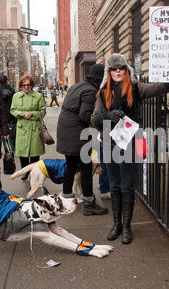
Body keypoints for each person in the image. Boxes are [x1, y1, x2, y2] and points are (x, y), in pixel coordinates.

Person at [91, 53, 169, 244]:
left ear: (126, 69)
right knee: (114, 186)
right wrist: (107, 116)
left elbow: (159, 88)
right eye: (114, 68)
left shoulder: (136, 88)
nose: (118, 71)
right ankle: (116, 225)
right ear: (109, 72)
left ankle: (127, 226)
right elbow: (93, 119)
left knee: (127, 185)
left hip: (129, 144)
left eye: (121, 67)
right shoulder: (103, 93)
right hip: (109, 144)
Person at [56, 63, 108, 216]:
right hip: (77, 134)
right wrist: (102, 122)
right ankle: (89, 203)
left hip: (65, 131)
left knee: (71, 166)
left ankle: (66, 201)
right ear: (99, 81)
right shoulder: (90, 91)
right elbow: (84, 115)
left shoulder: (77, 86)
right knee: (85, 168)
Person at [10, 75, 46, 181]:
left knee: (35, 153)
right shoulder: (16, 96)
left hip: (35, 128)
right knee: (23, 153)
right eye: (23, 85)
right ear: (21, 86)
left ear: (32, 85)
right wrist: (22, 114)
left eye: (28, 84)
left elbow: (43, 111)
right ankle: (25, 171)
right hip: (22, 128)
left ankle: (34, 172)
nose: (26, 87)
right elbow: (13, 110)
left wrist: (32, 114)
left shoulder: (38, 96)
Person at [0, 75, 16, 149]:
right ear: (7, 81)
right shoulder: (11, 90)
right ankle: (12, 148)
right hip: (11, 114)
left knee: (1, 132)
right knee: (11, 132)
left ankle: (1, 148)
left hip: (1, 115)